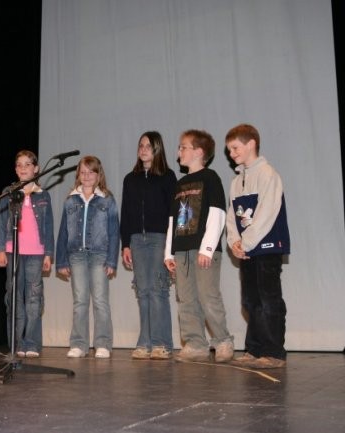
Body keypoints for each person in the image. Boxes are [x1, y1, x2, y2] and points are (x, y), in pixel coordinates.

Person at [164, 129, 234, 363]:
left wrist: (207, 249)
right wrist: (169, 252)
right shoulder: (180, 183)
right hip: (182, 249)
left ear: (199, 152)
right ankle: (195, 343)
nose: (178, 152)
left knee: (208, 295)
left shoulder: (210, 178)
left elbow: (217, 213)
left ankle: (223, 340)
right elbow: (173, 220)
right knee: (186, 298)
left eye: (183, 147)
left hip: (203, 249)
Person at [225, 124, 290, 369]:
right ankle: (254, 349)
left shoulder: (267, 174)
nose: (231, 153)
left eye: (235, 148)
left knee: (268, 298)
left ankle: (274, 352)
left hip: (266, 247)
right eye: (229, 150)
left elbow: (266, 213)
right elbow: (232, 216)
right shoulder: (236, 181)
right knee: (250, 300)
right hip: (247, 249)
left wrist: (247, 241)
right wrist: (234, 241)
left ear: (251, 143)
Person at [56, 155, 120, 359]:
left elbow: (113, 231)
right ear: (78, 175)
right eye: (82, 172)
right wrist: (62, 260)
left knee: (100, 300)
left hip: (99, 255)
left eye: (91, 172)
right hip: (76, 255)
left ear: (99, 174)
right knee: (80, 301)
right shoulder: (70, 199)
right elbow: (63, 232)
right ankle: (79, 344)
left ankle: (103, 343)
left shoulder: (107, 199)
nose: (87, 176)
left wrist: (111, 260)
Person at [120, 131, 177, 360]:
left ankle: (161, 342)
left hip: (158, 239)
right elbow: (126, 213)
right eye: (140, 145)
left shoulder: (167, 176)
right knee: (142, 292)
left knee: (157, 291)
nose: (143, 149)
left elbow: (174, 213)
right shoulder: (130, 179)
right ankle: (145, 342)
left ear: (157, 149)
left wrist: (170, 246)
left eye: (148, 146)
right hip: (137, 240)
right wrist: (126, 244)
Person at [0, 150, 54, 358]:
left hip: (36, 253)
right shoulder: (8, 192)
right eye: (19, 165)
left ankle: (32, 343)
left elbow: (48, 225)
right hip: (13, 252)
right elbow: (2, 222)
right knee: (14, 297)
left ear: (36, 168)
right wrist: (0, 249)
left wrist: (48, 253)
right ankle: (17, 343)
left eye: (28, 164)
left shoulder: (43, 194)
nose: (23, 168)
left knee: (34, 299)